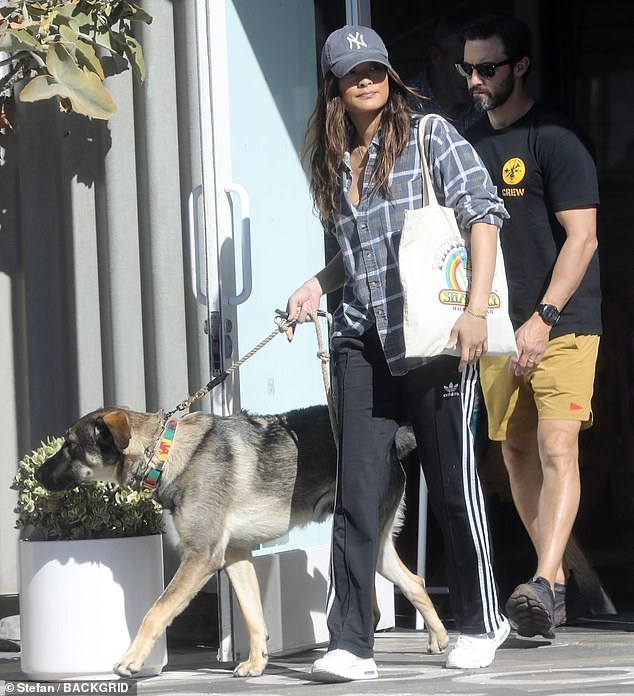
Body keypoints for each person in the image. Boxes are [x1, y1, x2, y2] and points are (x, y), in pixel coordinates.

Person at [285, 24, 510, 682]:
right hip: (362, 337)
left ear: (390, 75)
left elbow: (483, 212)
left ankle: (479, 619)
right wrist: (315, 284)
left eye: (376, 69)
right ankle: (351, 642)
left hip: (436, 335)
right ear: (335, 84)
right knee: (355, 494)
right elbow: (358, 254)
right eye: (354, 71)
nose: (367, 79)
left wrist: (474, 312)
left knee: (452, 488)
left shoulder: (430, 135)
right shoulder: (330, 160)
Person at [458, 14, 602, 639]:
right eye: (467, 68)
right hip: (495, 329)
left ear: (519, 67)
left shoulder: (555, 138)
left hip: (562, 324)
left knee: (556, 446)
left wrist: (543, 317)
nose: (474, 80)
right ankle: (556, 590)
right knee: (516, 454)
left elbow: (584, 237)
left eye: (487, 68)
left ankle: (542, 579)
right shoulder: (466, 145)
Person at [408, 3, 483, 134]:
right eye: (464, 66)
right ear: (435, 56)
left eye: (480, 67)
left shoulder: (484, 107)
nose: (474, 78)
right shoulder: (403, 107)